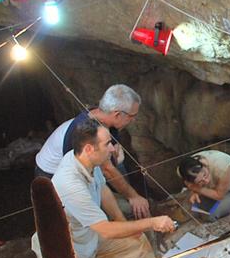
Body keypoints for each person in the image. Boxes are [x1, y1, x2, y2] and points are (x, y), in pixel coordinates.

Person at [31, 120, 176, 258]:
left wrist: (122, 222)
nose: (113, 148)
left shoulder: (88, 161)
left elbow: (103, 190)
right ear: (88, 149)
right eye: (107, 144)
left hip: (88, 235)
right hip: (67, 252)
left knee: (137, 244)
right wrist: (152, 222)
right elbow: (105, 230)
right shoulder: (70, 183)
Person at [34, 84, 151, 218]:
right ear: (117, 114)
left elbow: (106, 170)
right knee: (73, 217)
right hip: (49, 174)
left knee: (115, 174)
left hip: (83, 168)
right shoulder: (87, 132)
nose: (133, 120)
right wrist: (133, 197)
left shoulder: (103, 117)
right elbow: (107, 170)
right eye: (132, 116)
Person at [177, 150, 230, 219]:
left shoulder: (222, 167)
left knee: (209, 215)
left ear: (204, 164)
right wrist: (194, 192)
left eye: (205, 175)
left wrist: (197, 188)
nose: (206, 181)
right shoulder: (183, 170)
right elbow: (187, 183)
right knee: (188, 209)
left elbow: (219, 195)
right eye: (200, 181)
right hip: (214, 187)